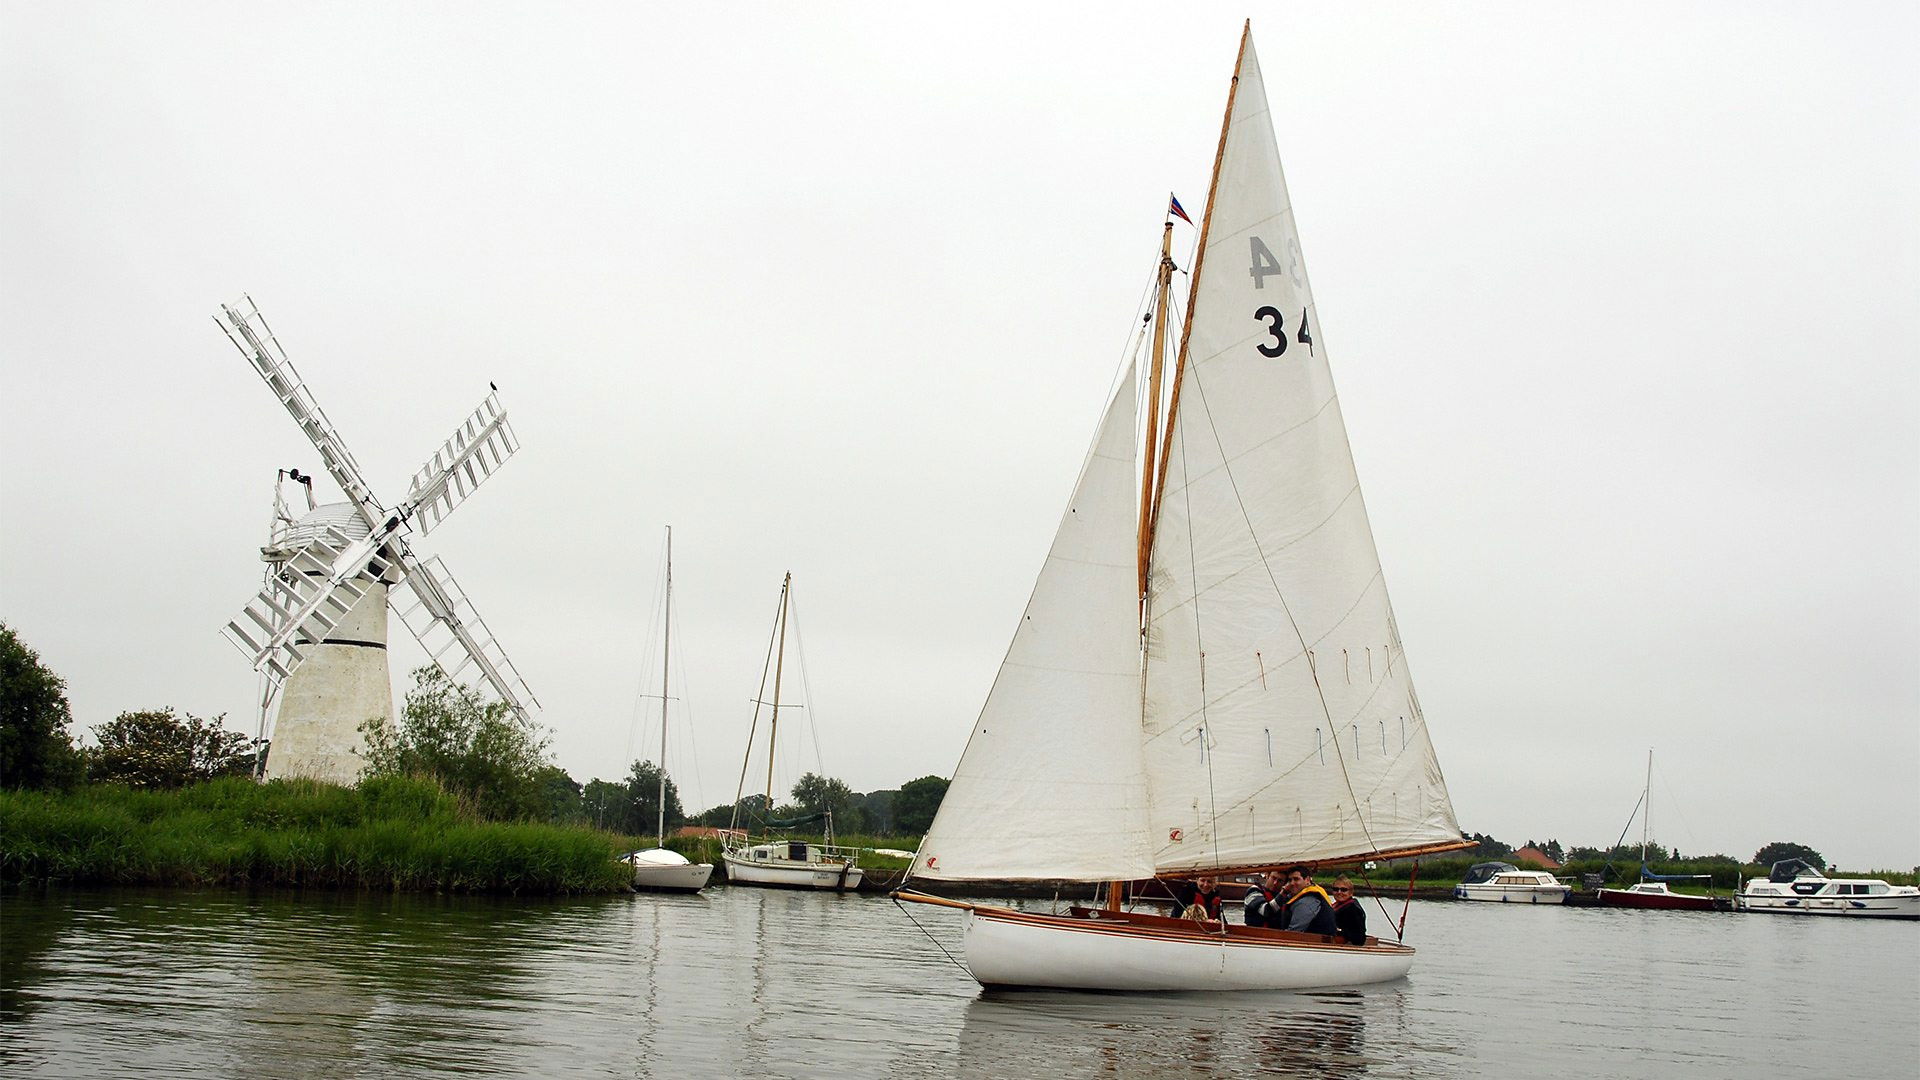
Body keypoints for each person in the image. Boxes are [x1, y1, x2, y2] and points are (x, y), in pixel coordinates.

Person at [1280, 865, 1337, 935]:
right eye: (1290, 880)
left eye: (1296, 879)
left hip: (1315, 943)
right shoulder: (1298, 895)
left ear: (1307, 880)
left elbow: (1294, 932)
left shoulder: (1306, 902)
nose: (1292, 883)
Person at [1330, 875, 1367, 945]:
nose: (1339, 892)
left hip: (1345, 948)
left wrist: (1338, 932)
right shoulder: (1337, 906)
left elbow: (1359, 938)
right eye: (1336, 889)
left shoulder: (1353, 910)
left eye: (1343, 890)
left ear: (1351, 892)